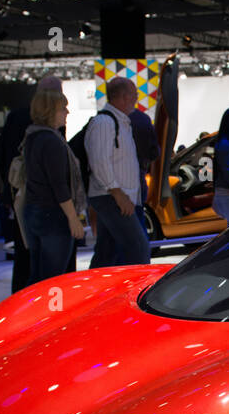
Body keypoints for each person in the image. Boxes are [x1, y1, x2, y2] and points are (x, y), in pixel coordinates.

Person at [0, 75, 62, 292]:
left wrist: (8, 189)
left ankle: (22, 299)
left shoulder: (18, 117)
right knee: (50, 263)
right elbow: (56, 173)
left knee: (28, 255)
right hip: (46, 201)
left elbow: (1, 154)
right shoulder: (47, 129)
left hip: (20, 194)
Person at [21, 90, 85, 283]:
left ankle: (39, 312)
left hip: (34, 210)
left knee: (40, 276)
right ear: (49, 111)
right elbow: (58, 185)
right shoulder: (51, 141)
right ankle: (51, 312)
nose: (67, 112)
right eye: (62, 108)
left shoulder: (31, 137)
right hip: (52, 215)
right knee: (53, 279)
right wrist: (73, 218)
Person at [86, 77, 150, 268]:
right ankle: (139, 292)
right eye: (135, 95)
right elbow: (99, 161)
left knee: (107, 251)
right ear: (123, 97)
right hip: (111, 197)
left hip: (117, 197)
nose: (136, 99)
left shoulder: (121, 122)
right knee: (138, 247)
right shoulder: (105, 122)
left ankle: (97, 293)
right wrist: (118, 194)